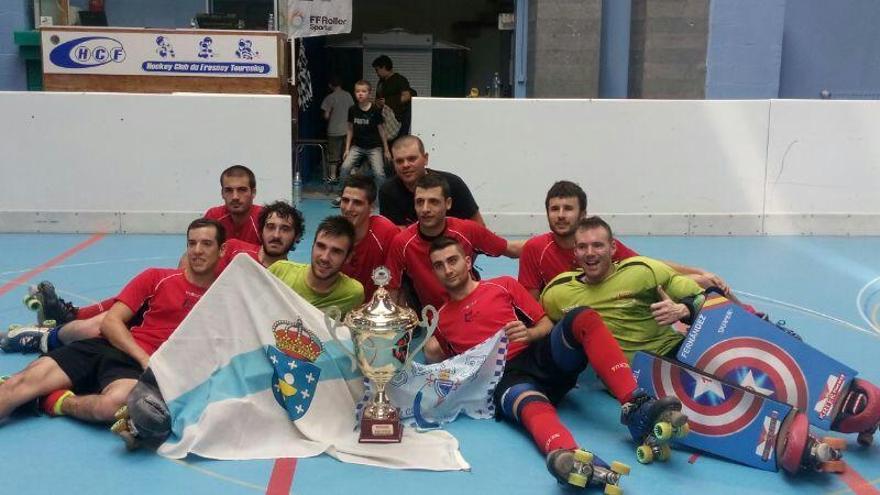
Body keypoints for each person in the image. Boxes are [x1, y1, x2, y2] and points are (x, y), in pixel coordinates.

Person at [424, 236, 685, 487]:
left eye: (452, 260)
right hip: (505, 380)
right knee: (529, 405)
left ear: (467, 262)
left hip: (538, 356)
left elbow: (545, 323)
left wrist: (528, 333)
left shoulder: (502, 285)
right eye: (439, 265)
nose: (448, 269)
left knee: (582, 317)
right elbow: (452, 366)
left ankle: (636, 405)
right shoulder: (441, 320)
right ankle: (568, 456)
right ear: (433, 272)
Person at [2, 201, 305, 355]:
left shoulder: (288, 277)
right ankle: (45, 336)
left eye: (285, 229)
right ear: (262, 229)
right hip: (174, 306)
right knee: (99, 326)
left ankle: (53, 327)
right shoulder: (238, 249)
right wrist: (182, 282)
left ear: (295, 237)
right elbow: (189, 262)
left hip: (199, 332)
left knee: (107, 332)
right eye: (272, 226)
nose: (276, 234)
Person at [0, 218, 224, 423]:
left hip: (134, 371)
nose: (197, 251)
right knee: (18, 384)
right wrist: (145, 359)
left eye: (206, 244)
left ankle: (55, 400)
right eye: (191, 243)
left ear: (222, 250)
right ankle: (41, 365)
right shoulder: (157, 277)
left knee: (110, 408)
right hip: (108, 348)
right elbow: (110, 322)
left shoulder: (223, 299)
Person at [519, 180, 731, 300]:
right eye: (554, 209)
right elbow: (532, 304)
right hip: (575, 316)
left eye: (568, 209)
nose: (561, 215)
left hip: (617, 303)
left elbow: (649, 266)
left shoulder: (600, 245)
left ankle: (751, 318)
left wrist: (700, 271)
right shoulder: (535, 249)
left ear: (582, 214)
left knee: (705, 282)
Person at [540, 216, 707, 361]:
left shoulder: (643, 271)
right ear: (575, 251)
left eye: (598, 245)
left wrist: (684, 309)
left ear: (613, 248)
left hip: (672, 353)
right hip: (625, 378)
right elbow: (540, 325)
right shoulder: (557, 292)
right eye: (583, 247)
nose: (590, 253)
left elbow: (707, 299)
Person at [385, 174, 520, 310]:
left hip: (474, 311)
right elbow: (392, 291)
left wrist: (542, 245)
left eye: (433, 202)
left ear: (448, 203)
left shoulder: (467, 230)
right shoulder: (401, 243)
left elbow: (512, 249)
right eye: (420, 202)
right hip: (431, 323)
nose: (425, 209)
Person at [269, 215, 365, 316]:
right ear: (313, 245)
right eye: (321, 246)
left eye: (336, 251)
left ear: (348, 257)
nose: (325, 257)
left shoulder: (353, 294)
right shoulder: (279, 272)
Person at [380, 135, 484, 227]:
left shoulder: (453, 184)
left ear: (425, 158)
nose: (405, 165)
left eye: (412, 159)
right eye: (399, 161)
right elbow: (395, 235)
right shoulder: (388, 191)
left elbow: (478, 227)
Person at [338, 175, 400, 300]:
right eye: (345, 200)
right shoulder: (332, 236)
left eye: (357, 203)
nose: (348, 208)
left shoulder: (386, 233)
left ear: (371, 207)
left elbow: (399, 283)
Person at [331, 80, 391, 207]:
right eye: (358, 91)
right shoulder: (352, 110)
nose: (360, 94)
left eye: (363, 91)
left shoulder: (375, 110)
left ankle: (384, 199)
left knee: (379, 173)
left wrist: (386, 149)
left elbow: (382, 130)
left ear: (369, 93)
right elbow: (350, 129)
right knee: (345, 168)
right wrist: (347, 149)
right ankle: (341, 196)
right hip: (357, 146)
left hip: (374, 147)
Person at [204, 165, 263, 245]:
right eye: (228, 190)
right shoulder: (214, 217)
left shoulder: (264, 218)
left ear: (253, 193)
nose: (235, 197)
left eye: (242, 190)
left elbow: (277, 256)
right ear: (222, 193)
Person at [320, 76, 354, 183]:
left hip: (333, 130)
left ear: (330, 85)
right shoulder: (348, 95)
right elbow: (352, 110)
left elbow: (326, 115)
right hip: (347, 129)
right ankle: (347, 177)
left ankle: (333, 176)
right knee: (346, 153)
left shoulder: (329, 98)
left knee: (333, 155)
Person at [372, 55, 415, 137]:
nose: (376, 73)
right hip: (384, 119)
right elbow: (378, 98)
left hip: (398, 120)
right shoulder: (381, 82)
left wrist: (387, 101)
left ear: (384, 67)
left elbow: (406, 96)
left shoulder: (399, 79)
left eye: (377, 70)